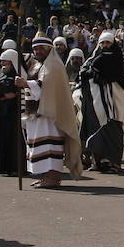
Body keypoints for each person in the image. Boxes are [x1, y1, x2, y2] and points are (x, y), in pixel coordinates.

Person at [20, 34, 82, 189]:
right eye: (35, 48)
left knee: (50, 146)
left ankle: (53, 177)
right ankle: (44, 176)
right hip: (36, 113)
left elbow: (46, 87)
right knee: (38, 146)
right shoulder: (37, 64)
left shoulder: (53, 65)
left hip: (50, 115)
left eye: (41, 48)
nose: (37, 51)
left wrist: (25, 84)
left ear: (49, 49)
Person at [78, 31, 124, 173]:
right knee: (95, 127)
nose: (105, 46)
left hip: (113, 100)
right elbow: (85, 72)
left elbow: (99, 72)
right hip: (97, 100)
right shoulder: (95, 57)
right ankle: (98, 162)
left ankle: (114, 163)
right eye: (102, 43)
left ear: (113, 44)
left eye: (108, 43)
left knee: (112, 128)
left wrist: (90, 73)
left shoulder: (114, 58)